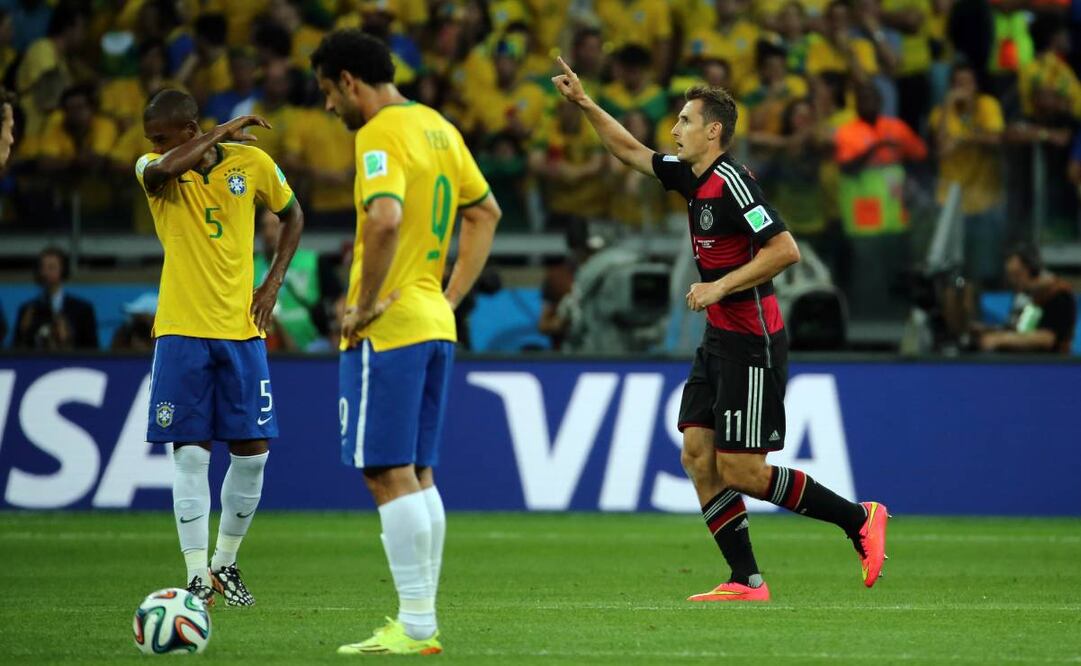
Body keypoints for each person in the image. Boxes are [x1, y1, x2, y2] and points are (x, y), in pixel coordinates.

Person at [553, 57, 889, 601]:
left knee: (744, 472)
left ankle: (859, 518)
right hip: (719, 338)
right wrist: (586, 103)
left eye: (685, 120)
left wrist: (719, 286)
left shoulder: (732, 183)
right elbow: (631, 152)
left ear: (714, 131)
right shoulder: (692, 178)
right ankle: (746, 579)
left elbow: (786, 250)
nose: (674, 129)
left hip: (752, 341)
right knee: (695, 452)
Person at [310, 29, 501, 655]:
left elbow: (385, 216)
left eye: (327, 93)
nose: (328, 109)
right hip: (433, 321)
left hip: (389, 327)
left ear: (347, 80)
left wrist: (360, 304)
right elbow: (485, 212)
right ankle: (418, 623)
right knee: (416, 472)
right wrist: (449, 296)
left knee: (385, 473)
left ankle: (416, 625)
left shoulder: (380, 133)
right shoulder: (440, 127)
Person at [135, 89, 305, 608]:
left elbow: (293, 215)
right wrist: (218, 133)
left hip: (240, 330)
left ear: (188, 128)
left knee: (252, 456)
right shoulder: (153, 168)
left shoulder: (251, 164)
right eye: (153, 141)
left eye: (164, 137)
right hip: (182, 329)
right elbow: (160, 171)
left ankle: (225, 564)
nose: (155, 148)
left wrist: (273, 283)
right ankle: (194, 577)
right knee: (189, 454)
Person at [975, 246, 1077, 354]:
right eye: (1010, 276)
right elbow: (1022, 330)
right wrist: (990, 330)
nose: (1012, 281)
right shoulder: (1028, 295)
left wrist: (999, 339)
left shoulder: (1059, 295)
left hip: (1052, 364)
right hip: (1023, 360)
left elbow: (1047, 338)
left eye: (1016, 275)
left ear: (1032, 269)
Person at [14, 246, 98, 350]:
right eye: (42, 268)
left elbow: (92, 350)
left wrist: (68, 339)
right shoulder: (27, 310)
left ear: (63, 270)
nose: (45, 273)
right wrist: (24, 331)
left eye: (51, 267)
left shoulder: (83, 310)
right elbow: (17, 349)